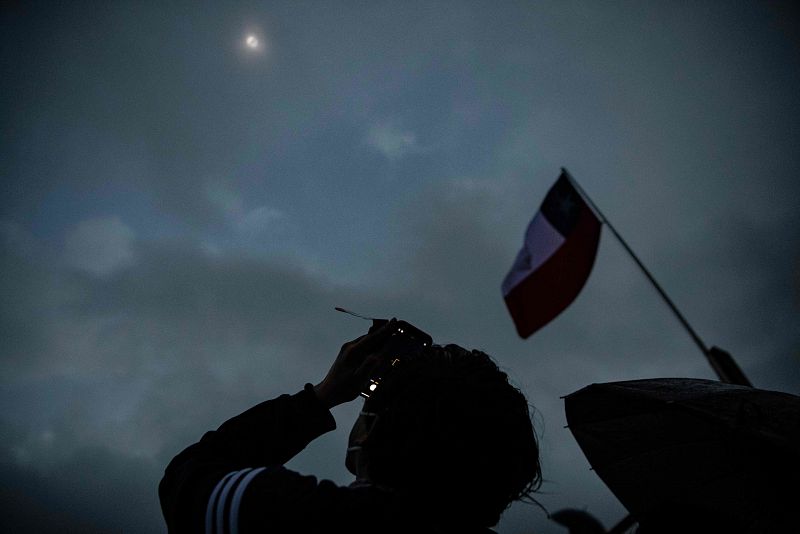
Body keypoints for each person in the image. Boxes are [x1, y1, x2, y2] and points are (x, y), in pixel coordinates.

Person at [159, 319, 542, 533]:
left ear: (374, 430)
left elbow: (187, 480)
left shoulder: (317, 520)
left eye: (367, 406)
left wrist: (320, 398)